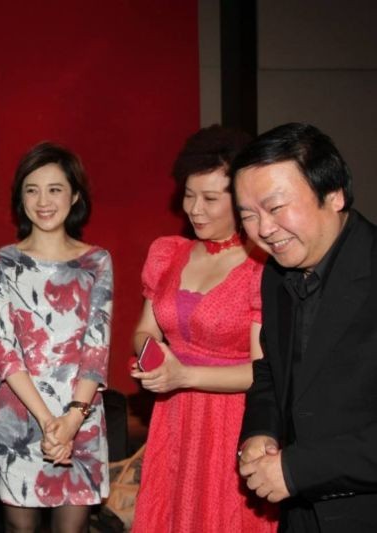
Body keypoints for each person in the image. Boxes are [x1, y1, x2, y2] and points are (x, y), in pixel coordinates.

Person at [130, 125, 276, 532]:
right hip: (174, 417)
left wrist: (184, 375)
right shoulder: (167, 253)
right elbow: (144, 330)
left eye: (210, 199)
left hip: (233, 422)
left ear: (242, 200)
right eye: (189, 195)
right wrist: (153, 358)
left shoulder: (261, 267)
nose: (195, 209)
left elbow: (263, 372)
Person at [233, 123, 377, 532]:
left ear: (334, 195)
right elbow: (271, 371)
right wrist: (261, 431)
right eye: (248, 215)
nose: (263, 229)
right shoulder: (277, 273)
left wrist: (298, 469)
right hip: (300, 515)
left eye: (276, 207)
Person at [0, 142, 113, 533]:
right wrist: (48, 421)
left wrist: (71, 421)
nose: (43, 201)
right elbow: (4, 352)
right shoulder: (2, 262)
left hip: (80, 413)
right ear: (20, 198)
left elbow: (97, 349)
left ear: (75, 196)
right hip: (18, 414)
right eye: (32, 190)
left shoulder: (96, 261)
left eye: (55, 189)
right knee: (19, 528)